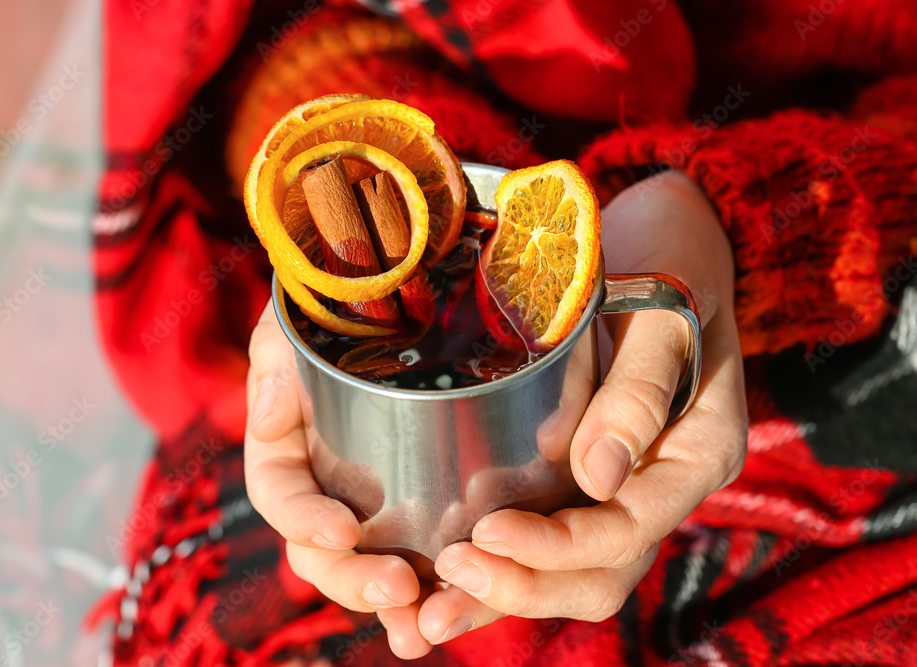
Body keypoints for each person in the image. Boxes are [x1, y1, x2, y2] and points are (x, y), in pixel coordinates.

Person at [89, 0, 917, 664]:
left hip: (848, 385)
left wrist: (751, 228)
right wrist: (399, 166)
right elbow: (260, 38)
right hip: (529, 214)